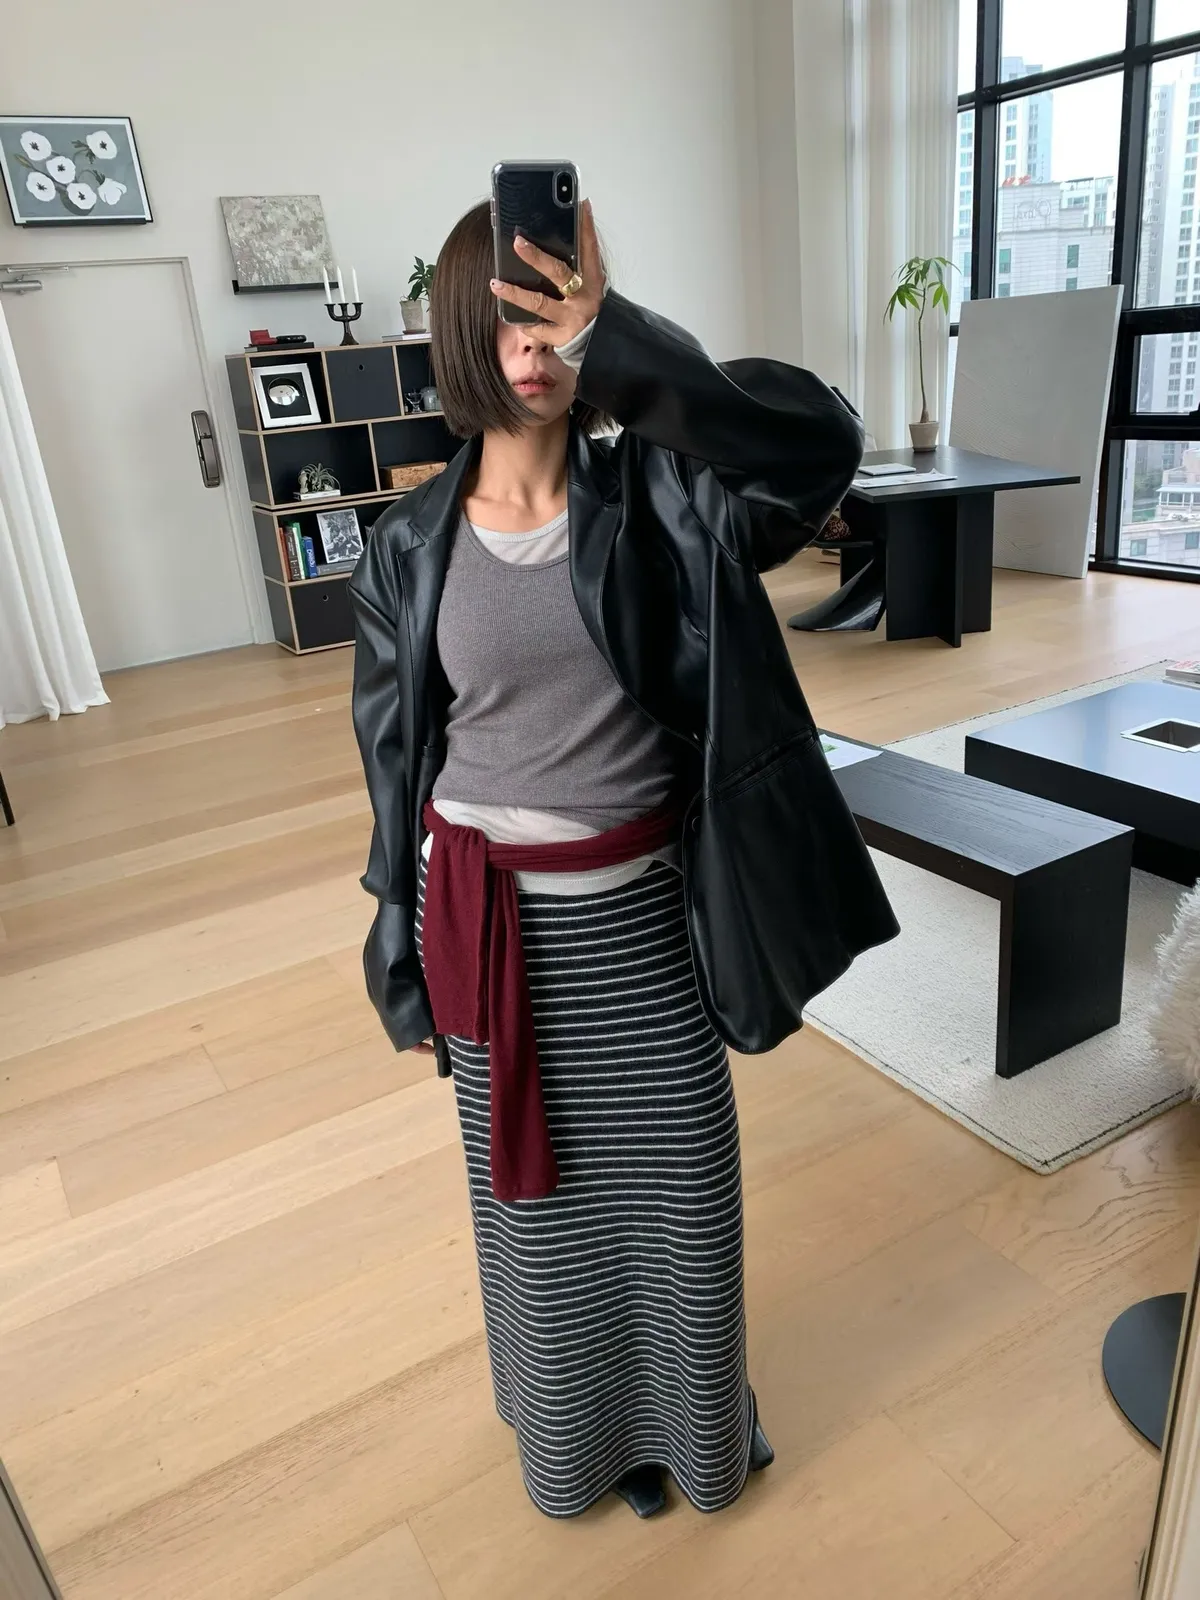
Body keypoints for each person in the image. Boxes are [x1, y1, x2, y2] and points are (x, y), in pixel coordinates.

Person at [348, 196, 897, 1521]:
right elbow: (395, 770)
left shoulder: (668, 492)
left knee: (681, 1202)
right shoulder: (408, 547)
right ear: (463, 336)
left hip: (640, 928)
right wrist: (401, 950)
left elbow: (819, 444)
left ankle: (694, 1440)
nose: (530, 348)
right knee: (540, 1222)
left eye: (553, 314)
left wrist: (626, 347)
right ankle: (575, 1443)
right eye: (505, 319)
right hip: (487, 930)